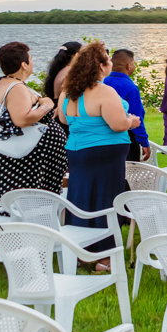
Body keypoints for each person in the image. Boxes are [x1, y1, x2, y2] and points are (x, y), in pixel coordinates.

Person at [58, 41, 137, 261]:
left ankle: (79, 252)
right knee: (105, 200)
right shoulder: (104, 91)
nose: (111, 63)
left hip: (77, 151)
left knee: (81, 197)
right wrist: (132, 121)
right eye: (108, 59)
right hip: (104, 154)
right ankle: (103, 256)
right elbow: (118, 124)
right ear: (101, 66)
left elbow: (64, 118)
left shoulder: (68, 90)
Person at [0, 42, 65, 203]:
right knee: (26, 205)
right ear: (24, 65)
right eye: (31, 59)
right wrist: (47, 106)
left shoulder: (4, 83)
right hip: (23, 163)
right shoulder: (16, 87)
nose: (33, 62)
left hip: (19, 158)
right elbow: (22, 119)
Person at [102, 49, 151, 162]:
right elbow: (136, 117)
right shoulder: (130, 88)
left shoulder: (104, 82)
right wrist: (144, 142)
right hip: (126, 137)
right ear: (129, 66)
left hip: (105, 135)